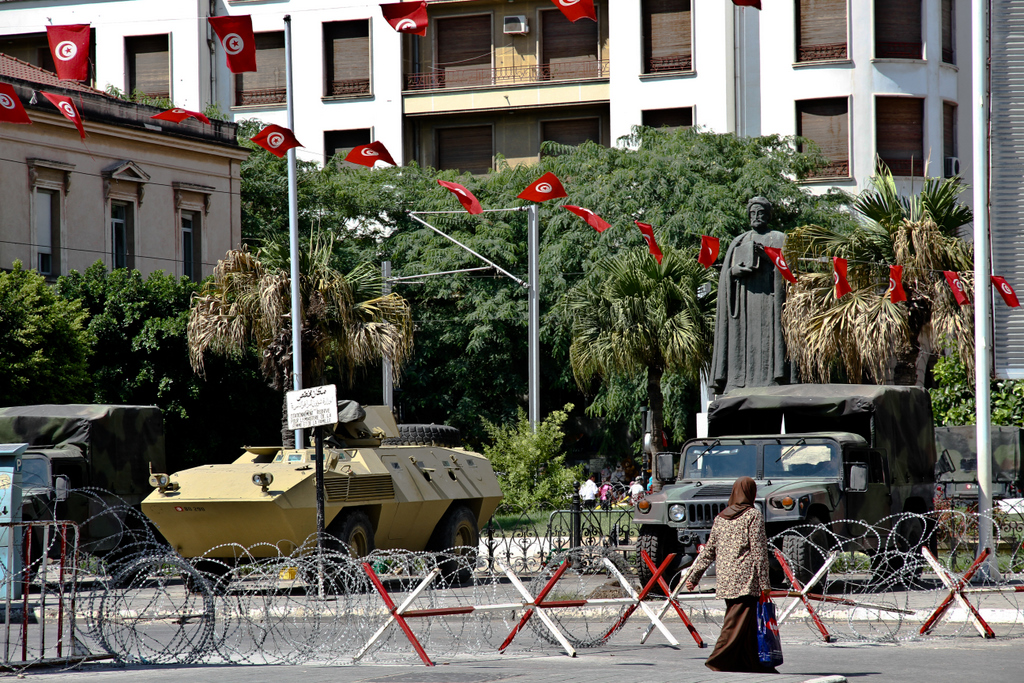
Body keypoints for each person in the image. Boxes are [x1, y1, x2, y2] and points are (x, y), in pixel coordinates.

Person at [682, 476, 776, 674]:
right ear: (750, 493)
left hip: (726, 579)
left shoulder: (721, 517)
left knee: (746, 624)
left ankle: (752, 663)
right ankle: (718, 659)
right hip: (747, 578)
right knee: (734, 624)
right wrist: (765, 583)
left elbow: (708, 551)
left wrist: (693, 577)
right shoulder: (753, 515)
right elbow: (759, 552)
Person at [711, 197, 790, 395]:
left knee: (768, 341)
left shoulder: (779, 238)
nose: (756, 217)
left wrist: (767, 257)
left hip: (771, 301)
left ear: (768, 216)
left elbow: (789, 273)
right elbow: (725, 276)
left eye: (760, 213)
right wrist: (734, 272)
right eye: (752, 213)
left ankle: (773, 377)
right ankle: (738, 379)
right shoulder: (739, 240)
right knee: (743, 342)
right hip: (744, 302)